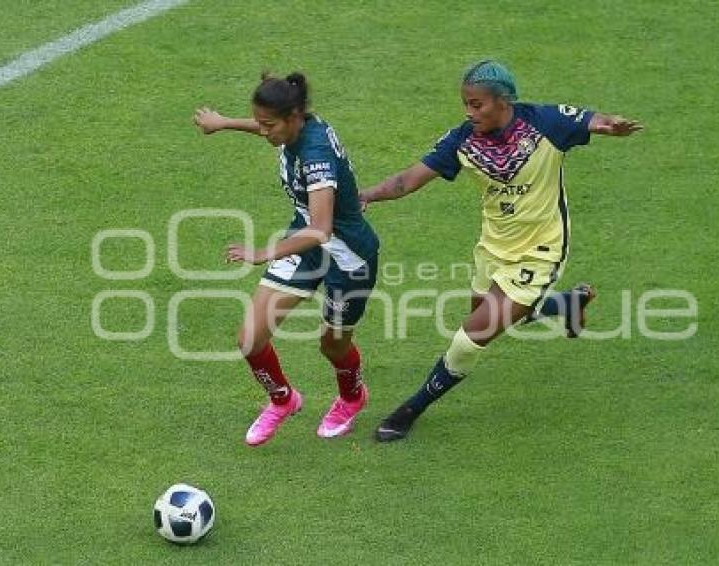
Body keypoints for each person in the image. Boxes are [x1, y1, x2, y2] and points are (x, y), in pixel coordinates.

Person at [359, 60, 642, 442]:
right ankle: (566, 305)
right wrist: (367, 196)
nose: (469, 112)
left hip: (540, 252)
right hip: (492, 247)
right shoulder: (463, 140)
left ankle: (411, 408)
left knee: (470, 337)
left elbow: (591, 120)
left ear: (503, 101)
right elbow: (408, 179)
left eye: (477, 104)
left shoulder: (545, 122)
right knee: (494, 318)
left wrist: (610, 125)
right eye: (466, 104)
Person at [194, 72, 379, 446]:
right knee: (250, 338)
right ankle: (283, 400)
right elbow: (264, 125)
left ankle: (352, 397)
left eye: (269, 125)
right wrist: (224, 123)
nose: (264, 133)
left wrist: (264, 253)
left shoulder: (315, 157)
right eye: (260, 123)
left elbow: (322, 228)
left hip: (347, 258)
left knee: (333, 345)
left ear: (294, 117)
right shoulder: (291, 127)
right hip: (304, 244)